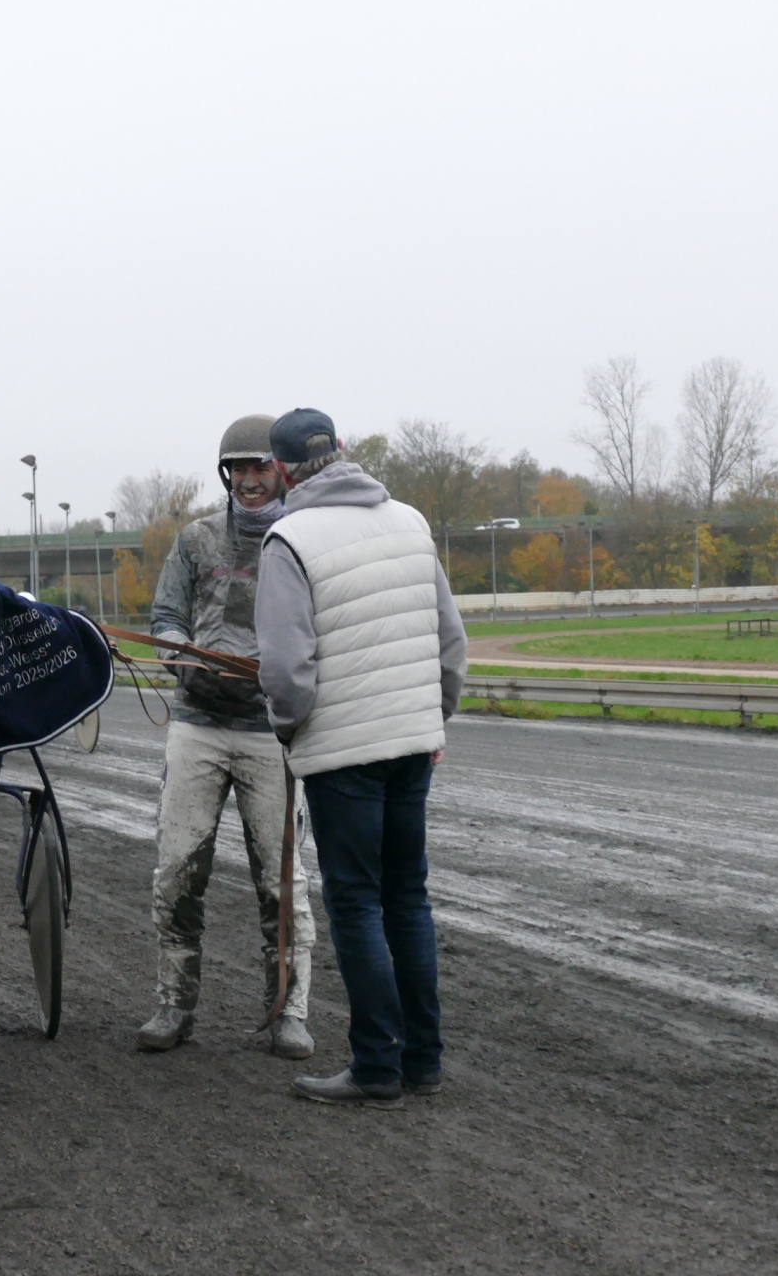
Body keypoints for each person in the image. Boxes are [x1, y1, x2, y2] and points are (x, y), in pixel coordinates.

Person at [254, 408, 467, 1108]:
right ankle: (423, 1061)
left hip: (343, 754)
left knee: (357, 904)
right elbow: (451, 643)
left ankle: (376, 1066)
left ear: (282, 471)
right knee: (409, 899)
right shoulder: (410, 521)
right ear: (342, 450)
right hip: (413, 743)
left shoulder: (288, 539)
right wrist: (433, 718)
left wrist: (288, 731)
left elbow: (285, 669)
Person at [137, 414, 318, 1058]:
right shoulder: (197, 540)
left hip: (271, 734)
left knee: (283, 881)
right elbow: (167, 615)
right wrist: (179, 652)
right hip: (198, 727)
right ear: (226, 474)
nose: (248, 479)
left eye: (259, 466)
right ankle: (174, 1004)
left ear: (281, 471)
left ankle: (289, 1011)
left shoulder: (304, 540)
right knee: (177, 872)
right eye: (238, 468)